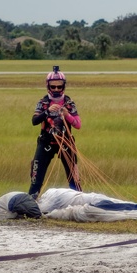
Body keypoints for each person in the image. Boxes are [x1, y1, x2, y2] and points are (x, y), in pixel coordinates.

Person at [29, 66, 82, 198]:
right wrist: (47, 112)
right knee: (36, 178)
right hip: (46, 142)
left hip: (66, 142)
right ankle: (31, 202)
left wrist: (67, 115)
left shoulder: (69, 103)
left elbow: (78, 125)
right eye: (53, 87)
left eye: (59, 87)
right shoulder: (43, 102)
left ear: (64, 86)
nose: (57, 90)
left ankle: (79, 200)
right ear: (48, 86)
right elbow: (34, 121)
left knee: (74, 179)